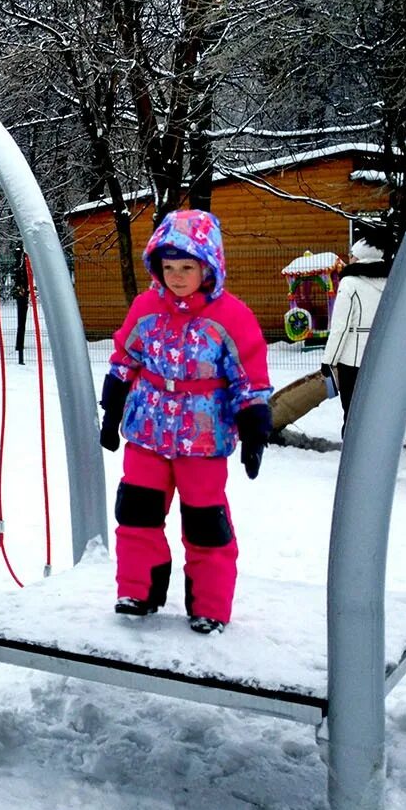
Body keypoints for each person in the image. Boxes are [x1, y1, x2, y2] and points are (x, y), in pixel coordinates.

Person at [98, 210, 271, 635]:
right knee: (136, 512)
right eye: (168, 267)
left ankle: (209, 604)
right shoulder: (146, 309)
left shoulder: (230, 317)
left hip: (203, 437)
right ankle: (138, 590)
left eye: (187, 267)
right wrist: (112, 409)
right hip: (147, 432)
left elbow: (249, 378)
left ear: (208, 266)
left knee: (205, 522)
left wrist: (254, 429)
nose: (176, 277)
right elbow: (125, 359)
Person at [321, 239, 391, 423]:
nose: (349, 257)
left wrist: (329, 360)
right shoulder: (390, 282)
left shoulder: (349, 283)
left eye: (351, 254)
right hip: (381, 355)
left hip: (352, 359)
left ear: (358, 257)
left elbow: (340, 327)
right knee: (375, 407)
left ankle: (352, 448)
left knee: (352, 410)